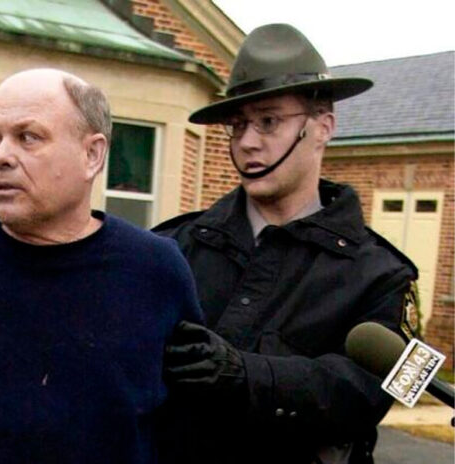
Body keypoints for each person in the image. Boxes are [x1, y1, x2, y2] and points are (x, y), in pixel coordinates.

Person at [0, 68, 203, 463]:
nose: (0, 157)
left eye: (28, 137)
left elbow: (187, 435)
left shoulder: (156, 271)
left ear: (92, 155)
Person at [154, 24, 418, 463]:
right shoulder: (173, 246)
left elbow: (372, 394)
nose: (247, 142)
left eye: (269, 121)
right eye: (238, 125)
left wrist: (247, 375)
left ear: (323, 127)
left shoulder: (383, 274)